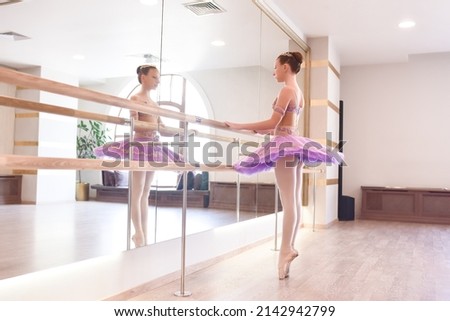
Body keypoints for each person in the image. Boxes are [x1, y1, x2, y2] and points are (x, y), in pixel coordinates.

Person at [225, 52, 343, 279]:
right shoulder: (299, 93)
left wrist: (239, 125)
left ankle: (285, 250)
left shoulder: (286, 90)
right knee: (294, 201)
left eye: (276, 67)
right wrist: (262, 130)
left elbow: (273, 122)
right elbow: (282, 125)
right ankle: (288, 249)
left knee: (288, 202)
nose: (274, 71)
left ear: (286, 67)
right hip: (292, 144)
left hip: (284, 147)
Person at [95, 65, 181, 248]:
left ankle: (144, 231)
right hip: (139, 147)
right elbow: (136, 126)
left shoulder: (155, 105)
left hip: (154, 148)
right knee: (138, 190)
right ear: (143, 77)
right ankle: (138, 232)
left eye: (158, 78)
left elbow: (162, 128)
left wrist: (178, 131)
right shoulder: (135, 98)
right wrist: (157, 128)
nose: (157, 81)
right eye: (154, 77)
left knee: (146, 192)